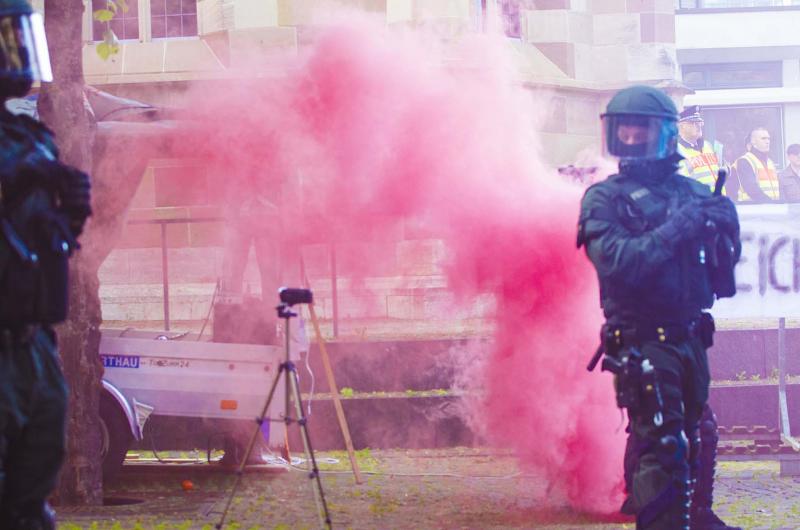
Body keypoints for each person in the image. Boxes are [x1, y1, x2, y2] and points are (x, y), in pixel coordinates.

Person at [577, 85, 741, 530]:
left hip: (689, 336)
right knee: (663, 444)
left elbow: (721, 284)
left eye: (641, 130)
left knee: (699, 434)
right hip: (643, 340)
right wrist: (676, 230)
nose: (631, 138)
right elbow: (618, 264)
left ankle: (699, 517)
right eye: (624, 130)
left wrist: (727, 234)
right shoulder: (604, 200)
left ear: (663, 134)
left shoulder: (691, 190)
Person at [0, 0, 92, 527]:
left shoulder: (31, 137)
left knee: (32, 505)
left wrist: (71, 219)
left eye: (18, 37)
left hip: (35, 345)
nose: (17, 53)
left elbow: (38, 247)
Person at [676, 106, 720, 191]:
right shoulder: (677, 150)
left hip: (718, 201)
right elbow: (684, 185)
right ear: (681, 127)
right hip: (701, 202)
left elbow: (718, 171)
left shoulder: (707, 145)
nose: (699, 126)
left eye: (699, 123)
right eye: (693, 123)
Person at [730, 127, 779, 202]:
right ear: (753, 142)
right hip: (752, 210)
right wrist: (772, 203)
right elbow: (752, 189)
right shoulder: (744, 161)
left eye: (768, 138)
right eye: (763, 138)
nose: (767, 141)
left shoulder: (770, 162)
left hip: (771, 210)